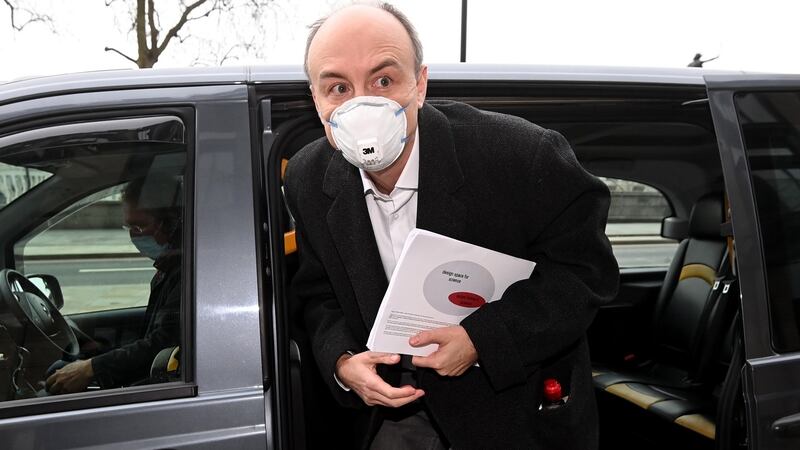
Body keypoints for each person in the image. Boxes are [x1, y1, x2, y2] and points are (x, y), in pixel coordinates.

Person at [284, 3, 619, 449]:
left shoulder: (521, 155)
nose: (362, 106)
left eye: (383, 81)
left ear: (420, 84)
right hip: (392, 416)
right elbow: (317, 293)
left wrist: (482, 339)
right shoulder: (307, 177)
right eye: (339, 88)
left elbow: (585, 275)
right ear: (316, 100)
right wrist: (343, 362)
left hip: (512, 416)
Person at [44, 175, 182, 394]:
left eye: (139, 226)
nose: (134, 236)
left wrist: (92, 368)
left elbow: (162, 345)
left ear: (170, 222)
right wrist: (103, 350)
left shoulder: (184, 273)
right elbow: (152, 336)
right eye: (129, 227)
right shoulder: (169, 268)